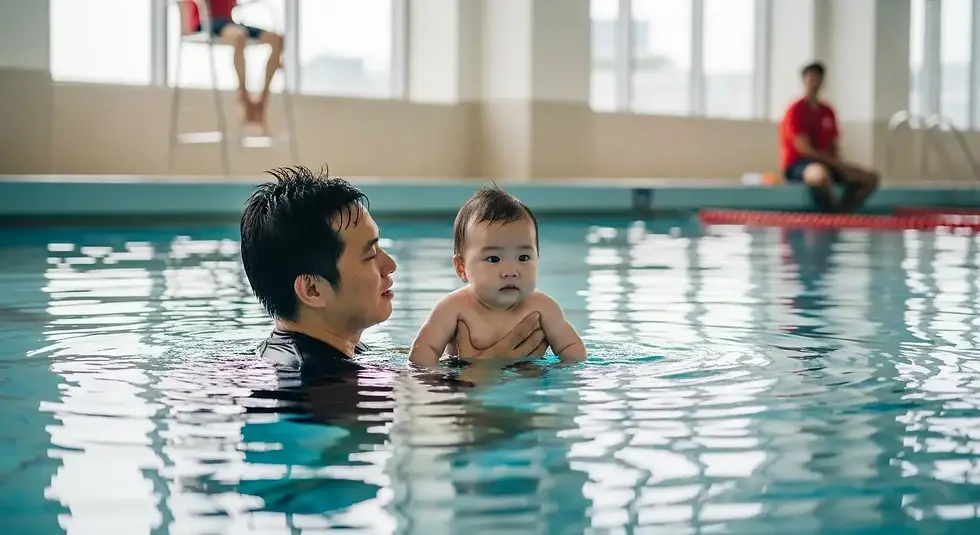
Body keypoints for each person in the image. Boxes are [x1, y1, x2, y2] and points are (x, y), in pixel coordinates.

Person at [239, 166, 549, 381]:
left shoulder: (325, 355)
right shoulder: (319, 384)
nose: (390, 265)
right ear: (313, 290)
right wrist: (484, 372)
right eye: (370, 254)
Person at [409, 185, 587, 366]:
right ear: (462, 268)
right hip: (469, 386)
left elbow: (573, 349)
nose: (510, 271)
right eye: (494, 259)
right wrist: (436, 378)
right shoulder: (453, 308)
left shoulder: (544, 308)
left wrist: (561, 370)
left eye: (523, 257)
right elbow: (423, 352)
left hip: (527, 386)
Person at [779, 61, 880, 213]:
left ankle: (843, 211)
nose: (814, 83)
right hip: (799, 164)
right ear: (804, 81)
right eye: (810, 79)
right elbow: (803, 148)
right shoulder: (795, 110)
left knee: (870, 178)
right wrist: (833, 163)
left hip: (827, 162)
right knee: (819, 176)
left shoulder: (827, 111)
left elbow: (833, 144)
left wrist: (841, 165)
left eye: (817, 79)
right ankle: (829, 214)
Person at [179, 0, 284, 133]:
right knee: (239, 36)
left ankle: (261, 102)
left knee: (277, 39)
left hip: (230, 23)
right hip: (207, 21)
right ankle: (244, 99)